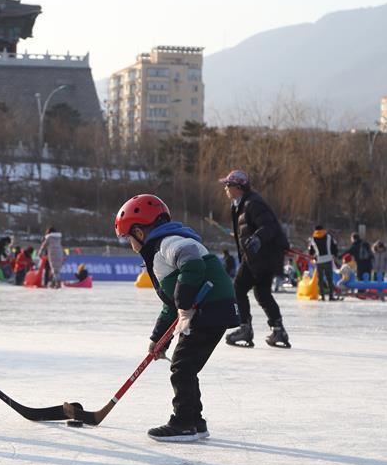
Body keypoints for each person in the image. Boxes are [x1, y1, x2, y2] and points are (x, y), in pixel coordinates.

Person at [115, 194, 239, 442]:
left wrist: (184, 304)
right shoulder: (160, 251)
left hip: (210, 308)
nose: (129, 243)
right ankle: (196, 421)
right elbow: (171, 305)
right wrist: (158, 339)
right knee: (186, 366)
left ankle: (183, 422)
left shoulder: (168, 242)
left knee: (182, 366)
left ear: (139, 232)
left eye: (128, 237)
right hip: (212, 308)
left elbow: (192, 264)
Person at [219, 170, 291, 348]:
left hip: (260, 257)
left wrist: (257, 238)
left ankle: (245, 328)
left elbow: (269, 226)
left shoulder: (252, 203)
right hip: (264, 257)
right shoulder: (242, 204)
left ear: (238, 187)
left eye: (228, 186)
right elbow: (252, 227)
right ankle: (278, 330)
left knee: (238, 288)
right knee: (262, 292)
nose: (225, 189)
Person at [308, 225, 339, 301]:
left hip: (319, 261)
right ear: (323, 229)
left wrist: (313, 255)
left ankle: (322, 296)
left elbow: (311, 252)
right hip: (328, 260)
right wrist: (335, 255)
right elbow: (334, 247)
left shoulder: (313, 239)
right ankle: (331, 296)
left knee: (320, 280)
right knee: (329, 279)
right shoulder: (329, 237)